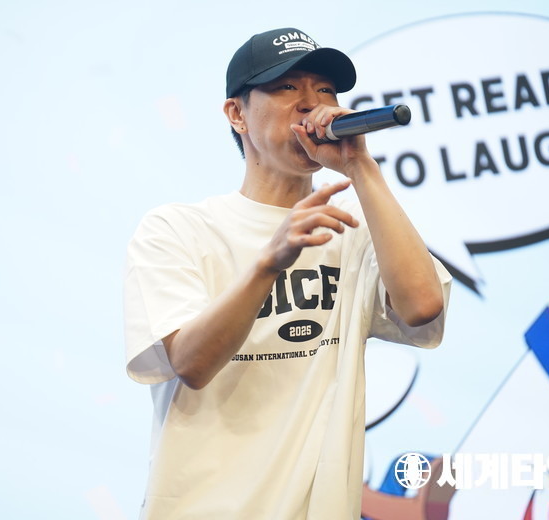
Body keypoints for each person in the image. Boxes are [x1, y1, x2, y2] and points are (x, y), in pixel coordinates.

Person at [124, 27, 452, 519]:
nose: (310, 102)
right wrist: (268, 263)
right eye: (286, 87)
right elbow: (191, 364)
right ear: (236, 114)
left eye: (325, 89)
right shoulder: (178, 229)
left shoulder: (355, 228)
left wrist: (360, 167)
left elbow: (423, 308)